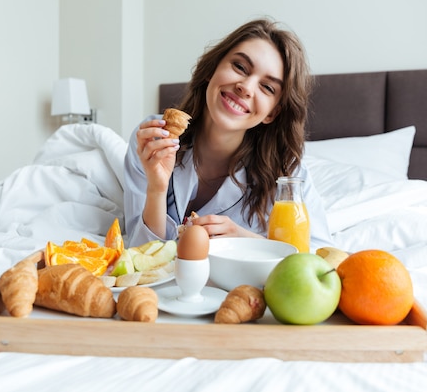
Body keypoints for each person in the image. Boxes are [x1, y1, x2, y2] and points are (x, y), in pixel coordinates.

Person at [123, 18, 332, 250]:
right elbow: (137, 254)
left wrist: (248, 242)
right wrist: (156, 189)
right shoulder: (153, 139)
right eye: (240, 67)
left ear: (271, 113)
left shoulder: (287, 174)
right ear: (211, 70)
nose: (246, 87)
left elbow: (321, 258)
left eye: (267, 87)